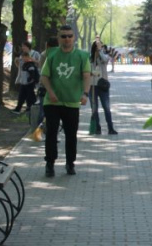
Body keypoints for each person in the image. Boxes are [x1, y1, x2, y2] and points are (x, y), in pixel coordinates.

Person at [39, 25, 91, 177]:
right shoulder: (52, 54)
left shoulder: (82, 56)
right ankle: (50, 163)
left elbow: (86, 76)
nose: (67, 39)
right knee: (51, 133)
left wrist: (85, 94)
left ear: (74, 38)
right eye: (63, 36)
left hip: (72, 102)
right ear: (58, 38)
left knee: (71, 134)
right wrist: (50, 92)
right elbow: (44, 76)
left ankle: (70, 163)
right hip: (52, 102)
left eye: (69, 36)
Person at [89, 40, 117, 135]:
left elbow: (106, 60)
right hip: (92, 86)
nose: (99, 48)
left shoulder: (103, 57)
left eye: (101, 47)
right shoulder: (89, 58)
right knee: (94, 108)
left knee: (106, 108)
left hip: (103, 86)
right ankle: (97, 128)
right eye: (97, 47)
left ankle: (110, 128)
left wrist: (100, 51)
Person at [34, 37, 59, 130]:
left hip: (44, 86)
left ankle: (40, 131)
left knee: (43, 110)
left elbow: (42, 71)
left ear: (48, 45)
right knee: (50, 111)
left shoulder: (44, 54)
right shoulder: (57, 54)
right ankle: (43, 131)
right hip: (53, 86)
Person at [12, 41, 41, 114]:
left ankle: (28, 108)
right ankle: (23, 108)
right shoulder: (22, 55)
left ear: (28, 47)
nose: (22, 48)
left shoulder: (35, 53)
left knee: (29, 93)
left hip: (32, 77)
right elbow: (20, 66)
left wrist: (32, 59)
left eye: (24, 46)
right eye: (22, 46)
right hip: (24, 78)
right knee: (25, 93)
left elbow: (40, 63)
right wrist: (16, 62)